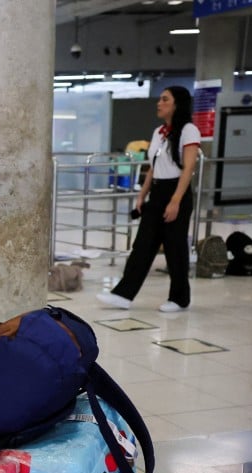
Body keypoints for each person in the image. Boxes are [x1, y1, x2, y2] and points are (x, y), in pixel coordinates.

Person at [97, 86, 199, 314]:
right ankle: (123, 295)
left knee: (175, 247)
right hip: (157, 191)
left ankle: (180, 298)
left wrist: (175, 201)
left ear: (177, 104)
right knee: (142, 245)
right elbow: (153, 168)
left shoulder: (189, 131)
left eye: (165, 99)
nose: (159, 103)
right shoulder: (158, 132)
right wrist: (142, 194)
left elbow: (189, 167)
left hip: (177, 192)